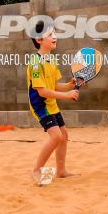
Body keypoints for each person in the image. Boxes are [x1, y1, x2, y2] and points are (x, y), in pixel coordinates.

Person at [27, 20, 80, 185]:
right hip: (40, 105)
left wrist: (70, 84)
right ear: (39, 40)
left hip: (51, 104)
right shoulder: (35, 63)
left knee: (64, 136)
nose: (54, 37)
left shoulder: (51, 59)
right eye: (50, 34)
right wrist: (68, 95)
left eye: (54, 33)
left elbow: (55, 85)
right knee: (56, 136)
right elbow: (42, 91)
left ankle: (61, 171)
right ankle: (37, 170)